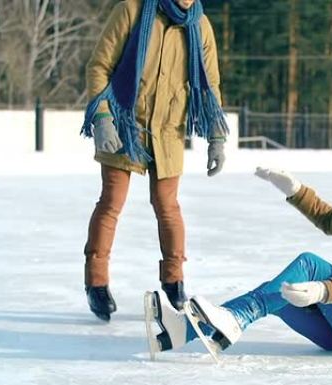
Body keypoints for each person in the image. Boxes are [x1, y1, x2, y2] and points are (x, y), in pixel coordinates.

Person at [149, 139, 332, 354]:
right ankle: (181, 331)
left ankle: (234, 320)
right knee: (278, 293)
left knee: (309, 265)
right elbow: (329, 220)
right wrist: (294, 190)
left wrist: (324, 289)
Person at [80, 0, 228, 321]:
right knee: (111, 202)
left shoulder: (198, 25)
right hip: (124, 123)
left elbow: (209, 85)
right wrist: (103, 117)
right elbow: (99, 66)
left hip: (168, 131)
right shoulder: (131, 11)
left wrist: (217, 138)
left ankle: (174, 281)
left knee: (167, 205)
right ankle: (97, 282)